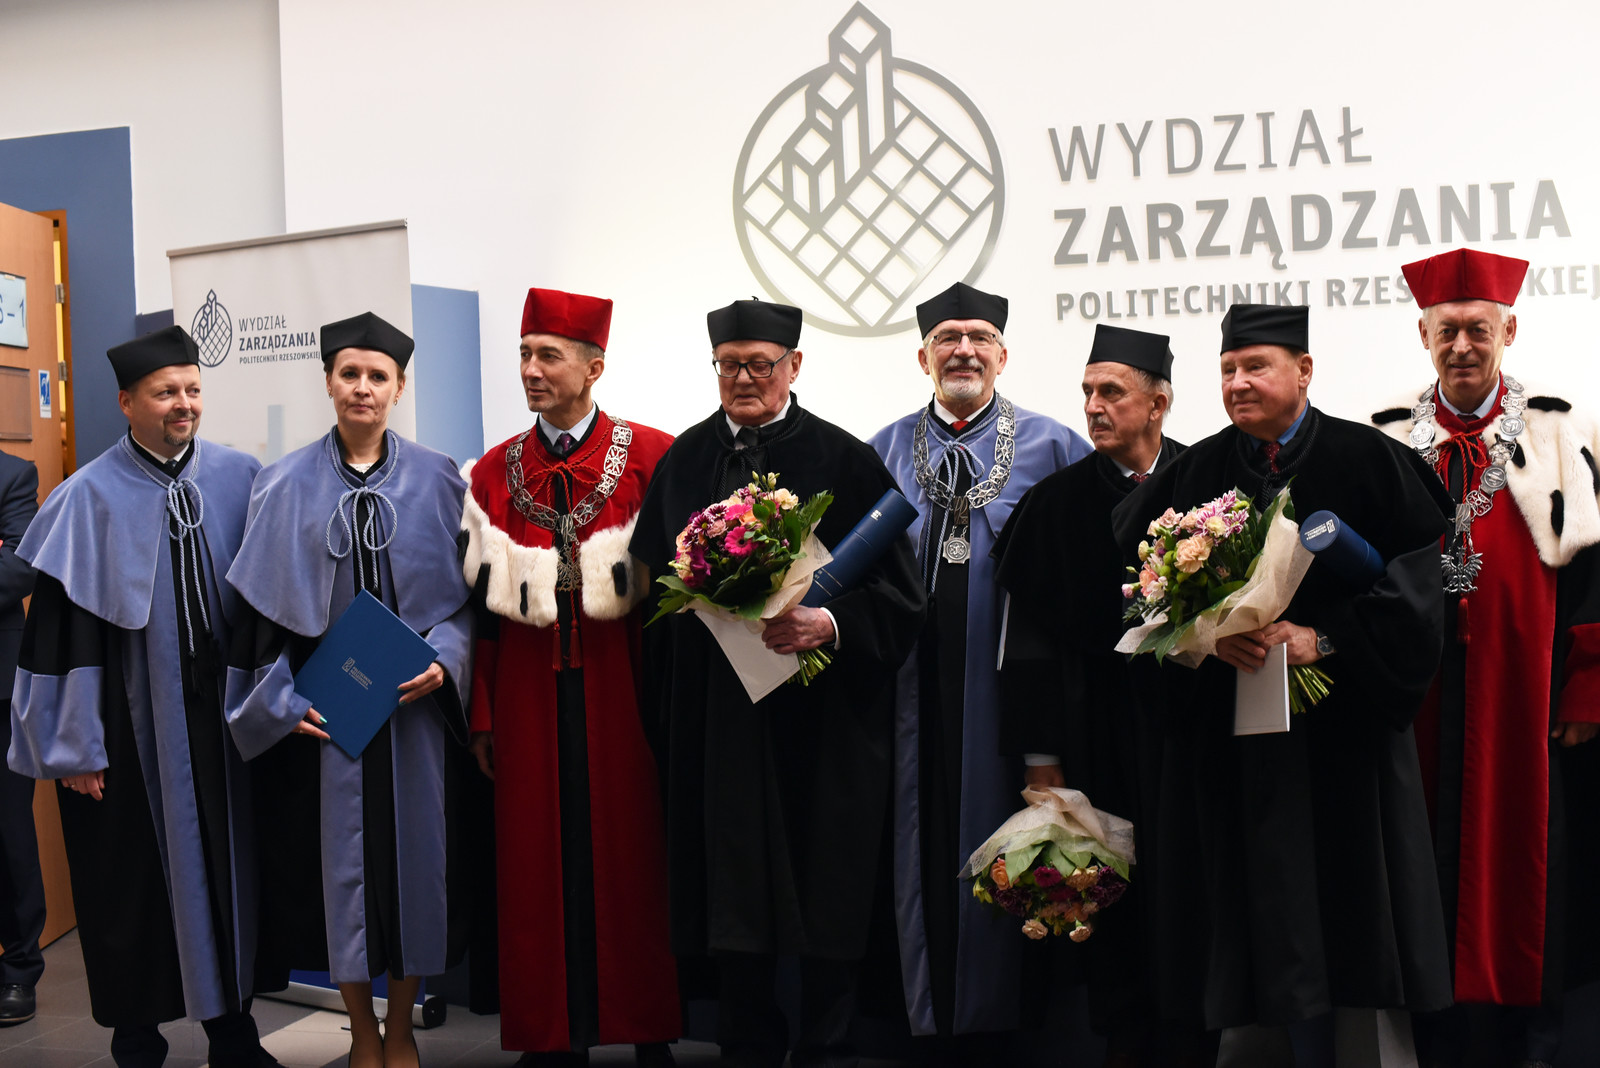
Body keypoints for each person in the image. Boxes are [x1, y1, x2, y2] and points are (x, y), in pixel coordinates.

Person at [1110, 304, 1454, 1068]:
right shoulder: (1192, 476)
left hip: (1346, 748)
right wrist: (1203, 640)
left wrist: (1324, 639)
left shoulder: (1370, 460)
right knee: (1247, 927)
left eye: (1255, 367)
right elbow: (1141, 606)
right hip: (1236, 754)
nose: (1238, 382)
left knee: (1356, 918)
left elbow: (1420, 598)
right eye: (1228, 369)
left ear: (1303, 371)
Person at [630, 298, 925, 1068]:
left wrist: (827, 624)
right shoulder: (686, 461)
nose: (744, 379)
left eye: (760, 364)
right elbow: (651, 603)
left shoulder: (844, 459)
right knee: (732, 885)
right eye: (729, 365)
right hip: (721, 720)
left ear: (794, 365)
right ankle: (746, 1045)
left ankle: (828, 1046)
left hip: (824, 722)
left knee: (830, 879)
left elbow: (902, 599)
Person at [7, 326, 273, 1067]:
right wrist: (73, 749)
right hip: (125, 728)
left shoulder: (241, 477)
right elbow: (57, 638)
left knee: (231, 873)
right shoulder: (86, 498)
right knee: (126, 887)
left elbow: (270, 604)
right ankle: (136, 1040)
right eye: (165, 393)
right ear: (127, 403)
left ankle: (233, 1035)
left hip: (222, 721)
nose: (183, 404)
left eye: (192, 390)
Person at [1371, 248, 1600, 1067]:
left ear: (1509, 329)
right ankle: (1434, 1040)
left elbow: (1594, 577)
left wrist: (1584, 691)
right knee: (1422, 861)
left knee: (1529, 861)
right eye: (1447, 331)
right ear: (1423, 336)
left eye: (1478, 328)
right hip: (1420, 694)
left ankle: (1531, 1043)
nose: (1462, 345)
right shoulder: (1386, 439)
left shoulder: (1561, 434)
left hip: (1523, 692)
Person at [224, 312, 472, 1068]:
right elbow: (259, 617)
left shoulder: (438, 477)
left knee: (415, 872)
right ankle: (362, 1029)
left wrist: (447, 660)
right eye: (349, 374)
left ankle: (400, 1030)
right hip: (326, 717)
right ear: (329, 382)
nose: (363, 387)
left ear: (400, 386)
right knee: (343, 880)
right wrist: (279, 702)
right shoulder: (283, 482)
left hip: (413, 713)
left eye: (377, 376)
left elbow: (463, 603)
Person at [460, 287, 679, 1067]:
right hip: (526, 693)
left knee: (635, 854)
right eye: (524, 354)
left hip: (625, 691)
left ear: (594, 367)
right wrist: (484, 713)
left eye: (548, 355)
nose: (530, 369)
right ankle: (550, 1035)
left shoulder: (654, 456)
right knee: (532, 864)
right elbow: (477, 614)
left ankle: (648, 1026)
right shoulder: (491, 473)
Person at [866, 281, 1088, 1048]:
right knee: (917, 840)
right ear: (922, 356)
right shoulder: (881, 451)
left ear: (1003, 354)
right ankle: (921, 1016)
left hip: (1014, 702)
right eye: (947, 338)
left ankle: (1013, 1023)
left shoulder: (1056, 449)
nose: (963, 350)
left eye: (979, 337)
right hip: (911, 698)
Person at [993, 324, 1184, 1067]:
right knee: (1110, 910)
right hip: (1093, 735)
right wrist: (1041, 761)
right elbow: (1029, 648)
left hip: (1189, 735)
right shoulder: (1055, 504)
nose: (1093, 407)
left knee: (1191, 900)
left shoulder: (1207, 484)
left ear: (1158, 403)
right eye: (1087, 392)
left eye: (1112, 392)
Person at [0, 452, 42, 1027]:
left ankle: (19, 968)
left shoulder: (12, 474)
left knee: (7, 831)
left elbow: (19, 568)